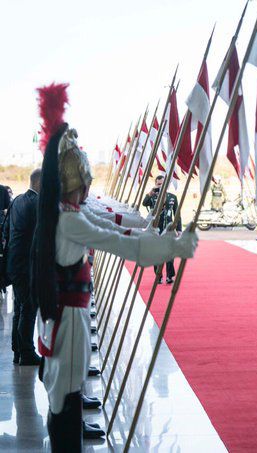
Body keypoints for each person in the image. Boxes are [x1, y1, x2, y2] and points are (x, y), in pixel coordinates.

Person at [32, 110, 198, 452]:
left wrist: (144, 227)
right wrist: (171, 246)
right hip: (69, 320)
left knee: (64, 395)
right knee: (67, 395)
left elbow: (110, 225)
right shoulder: (68, 220)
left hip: (63, 316)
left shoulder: (64, 214)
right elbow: (118, 241)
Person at [7, 169, 41, 365]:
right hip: (26, 265)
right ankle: (27, 352)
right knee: (28, 308)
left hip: (15, 262)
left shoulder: (18, 199)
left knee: (20, 309)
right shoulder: (36, 204)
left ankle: (18, 350)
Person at [143, 175, 181, 284]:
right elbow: (144, 203)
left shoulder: (172, 197)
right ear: (156, 184)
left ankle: (170, 276)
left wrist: (179, 229)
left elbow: (177, 214)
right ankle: (158, 276)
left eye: (163, 184)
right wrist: (150, 193)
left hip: (169, 229)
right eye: (158, 184)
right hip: (156, 228)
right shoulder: (152, 197)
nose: (161, 186)